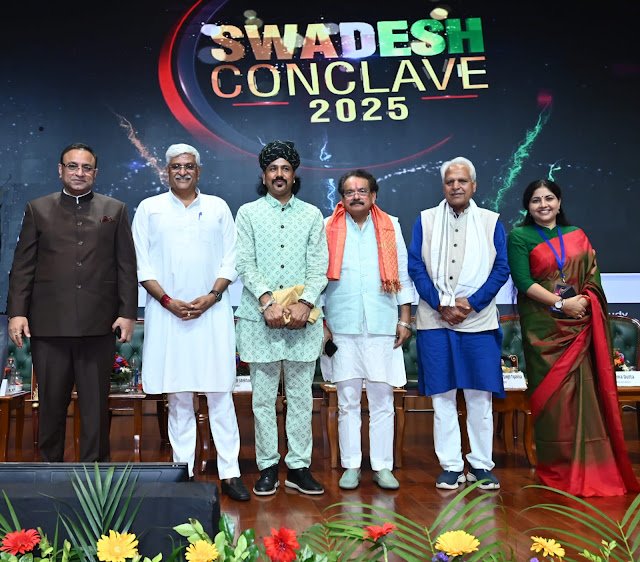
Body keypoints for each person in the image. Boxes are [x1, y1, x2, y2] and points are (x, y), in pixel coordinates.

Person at [507, 179, 639, 497]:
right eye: (536, 200)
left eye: (549, 198)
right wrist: (561, 303)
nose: (543, 205)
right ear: (527, 206)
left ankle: (595, 467)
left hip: (580, 324)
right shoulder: (519, 237)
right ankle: (558, 468)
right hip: (545, 331)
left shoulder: (577, 234)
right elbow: (523, 281)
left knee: (587, 398)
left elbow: (593, 275)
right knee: (556, 404)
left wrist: (583, 301)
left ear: (559, 202)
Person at [6, 142, 138, 462]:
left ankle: (96, 477)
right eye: (73, 166)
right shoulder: (37, 209)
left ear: (95, 173)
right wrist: (17, 313)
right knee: (51, 405)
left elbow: (126, 266)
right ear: (60, 170)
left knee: (95, 407)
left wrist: (127, 313)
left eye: (86, 167)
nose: (79, 173)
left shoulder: (115, 209)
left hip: (99, 324)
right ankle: (49, 472)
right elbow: (23, 265)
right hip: (49, 325)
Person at [132, 143, 249, 501]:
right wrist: (168, 301)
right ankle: (183, 470)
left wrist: (212, 296)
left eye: (188, 166)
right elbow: (141, 263)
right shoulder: (149, 209)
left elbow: (232, 258)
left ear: (198, 171)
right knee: (179, 395)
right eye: (175, 167)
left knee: (220, 395)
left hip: (211, 313)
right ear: (166, 171)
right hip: (167, 315)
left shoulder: (217, 207)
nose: (182, 172)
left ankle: (230, 472)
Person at [407, 156, 510, 490]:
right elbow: (415, 266)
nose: (456, 186)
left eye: (462, 181)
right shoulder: (425, 220)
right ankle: (451, 466)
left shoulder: (491, 221)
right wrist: (440, 303)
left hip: (477, 321)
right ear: (443, 187)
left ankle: (481, 465)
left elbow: (501, 268)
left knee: (479, 397)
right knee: (443, 397)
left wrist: (471, 303)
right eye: (450, 181)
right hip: (435, 320)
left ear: (473, 186)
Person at [235, 140, 328, 496]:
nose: (279, 174)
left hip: (302, 320)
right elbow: (245, 262)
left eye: (285, 169)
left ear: (294, 175)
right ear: (264, 176)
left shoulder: (312, 215)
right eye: (272, 169)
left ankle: (299, 467)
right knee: (263, 399)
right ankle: (268, 467)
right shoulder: (248, 213)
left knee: (301, 398)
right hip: (261, 318)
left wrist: (305, 303)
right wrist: (266, 302)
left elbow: (319, 266)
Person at [321, 169, 414, 490]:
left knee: (382, 399)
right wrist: (322, 322)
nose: (356, 196)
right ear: (341, 198)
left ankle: (382, 466)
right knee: (347, 400)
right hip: (341, 324)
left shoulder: (390, 226)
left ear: (374, 196)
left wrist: (405, 318)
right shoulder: (327, 227)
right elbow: (317, 277)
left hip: (381, 323)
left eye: (362, 191)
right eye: (349, 192)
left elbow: (402, 274)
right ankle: (350, 465)